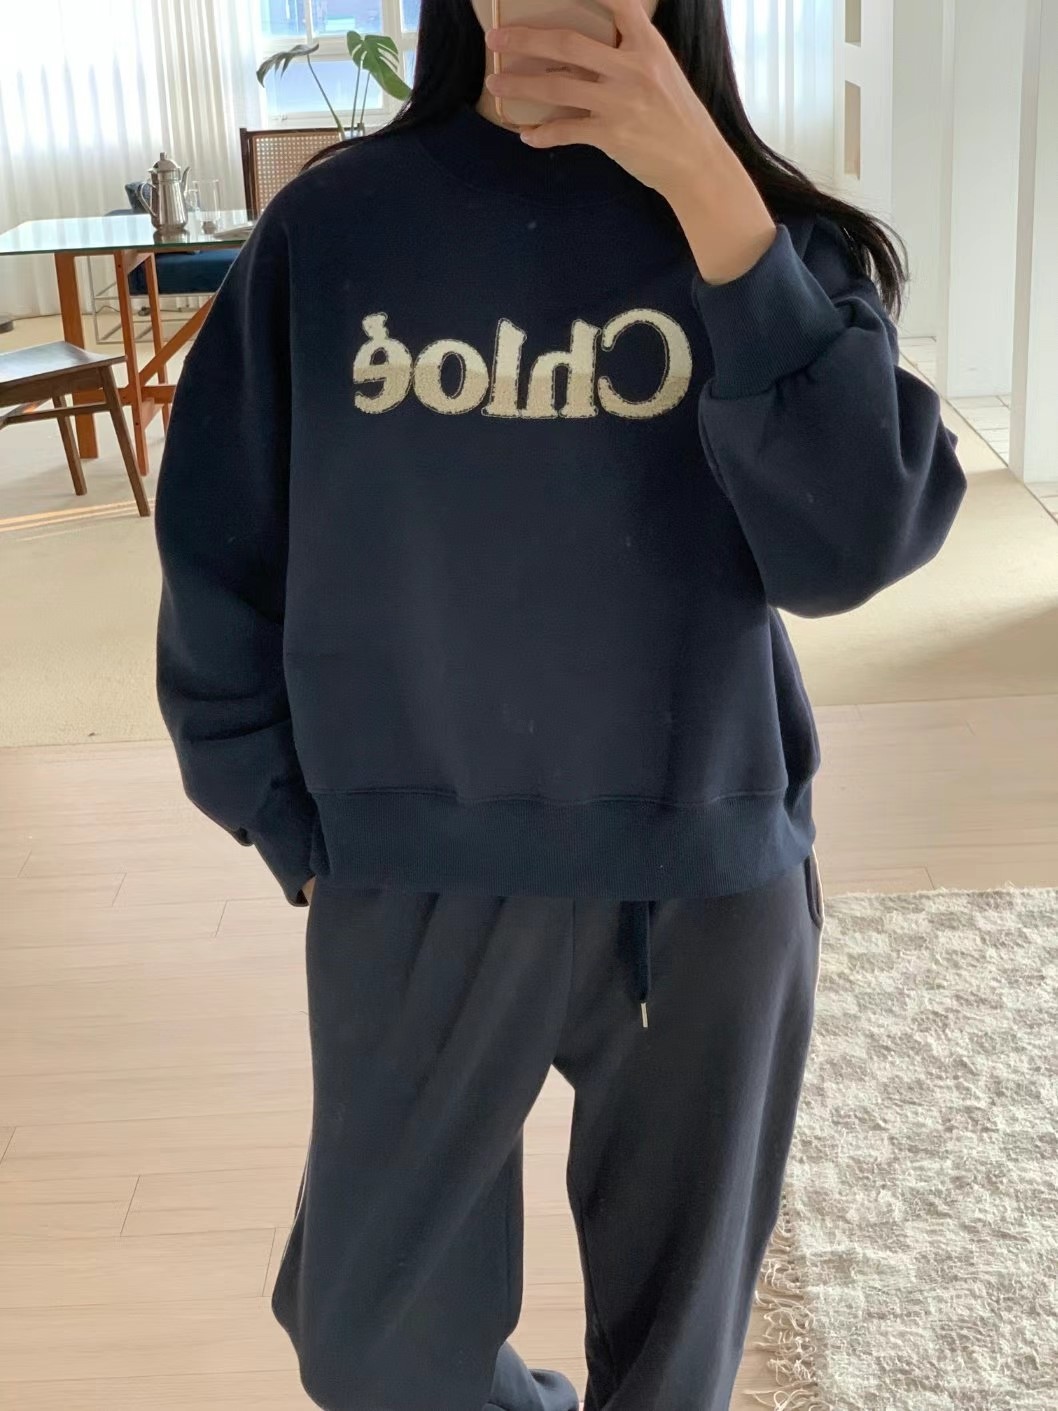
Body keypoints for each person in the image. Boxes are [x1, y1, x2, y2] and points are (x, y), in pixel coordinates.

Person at [154, 0, 966, 1406]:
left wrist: (712, 199)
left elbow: (850, 547)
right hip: (416, 866)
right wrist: (281, 809)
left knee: (673, 1366)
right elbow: (223, 540)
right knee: (370, 1346)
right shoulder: (336, 228)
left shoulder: (768, 239)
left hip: (705, 876)